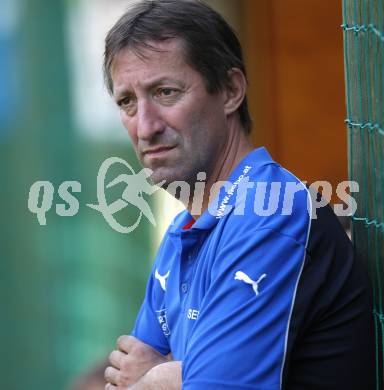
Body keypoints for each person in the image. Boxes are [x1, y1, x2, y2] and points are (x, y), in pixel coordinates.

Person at [102, 1, 375, 389]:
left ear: (231, 90)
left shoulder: (273, 214)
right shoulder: (184, 231)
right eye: (127, 102)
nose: (145, 127)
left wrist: (164, 375)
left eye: (165, 92)